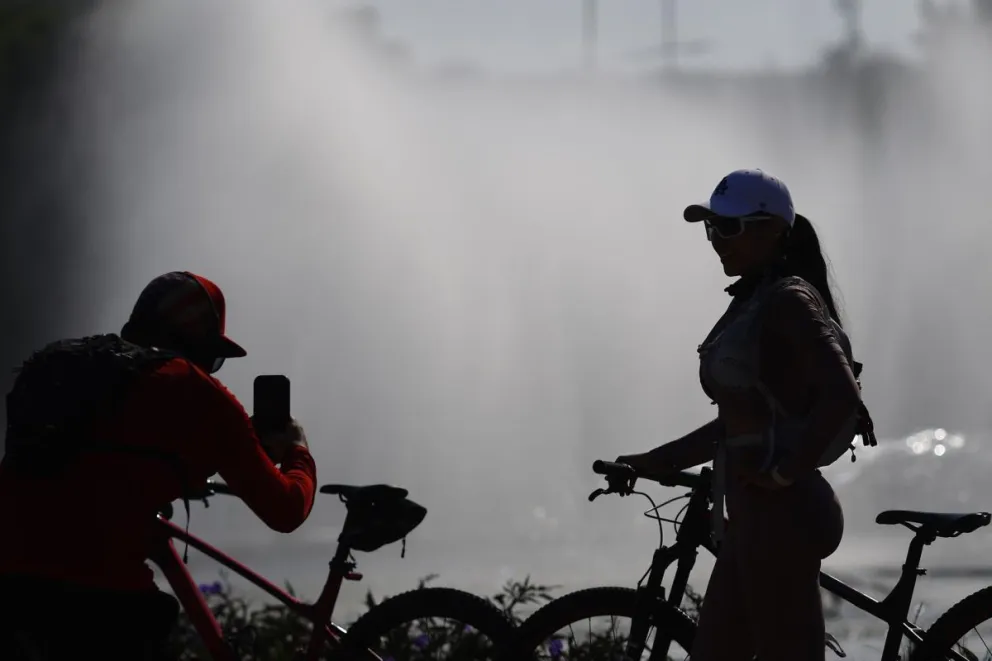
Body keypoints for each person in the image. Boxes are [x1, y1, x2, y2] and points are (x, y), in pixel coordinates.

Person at [616, 169, 875, 661]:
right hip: (754, 519)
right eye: (711, 227)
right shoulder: (756, 299)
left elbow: (843, 396)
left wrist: (781, 474)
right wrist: (659, 459)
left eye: (729, 227)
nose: (717, 240)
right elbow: (740, 420)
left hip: (783, 517)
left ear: (773, 229)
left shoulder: (789, 301)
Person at [0, 271, 317, 661]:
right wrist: (298, 451)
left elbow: (100, 462)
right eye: (214, 358)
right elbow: (285, 509)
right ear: (197, 344)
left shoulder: (55, 368)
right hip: (101, 605)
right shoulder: (195, 392)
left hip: (10, 589)